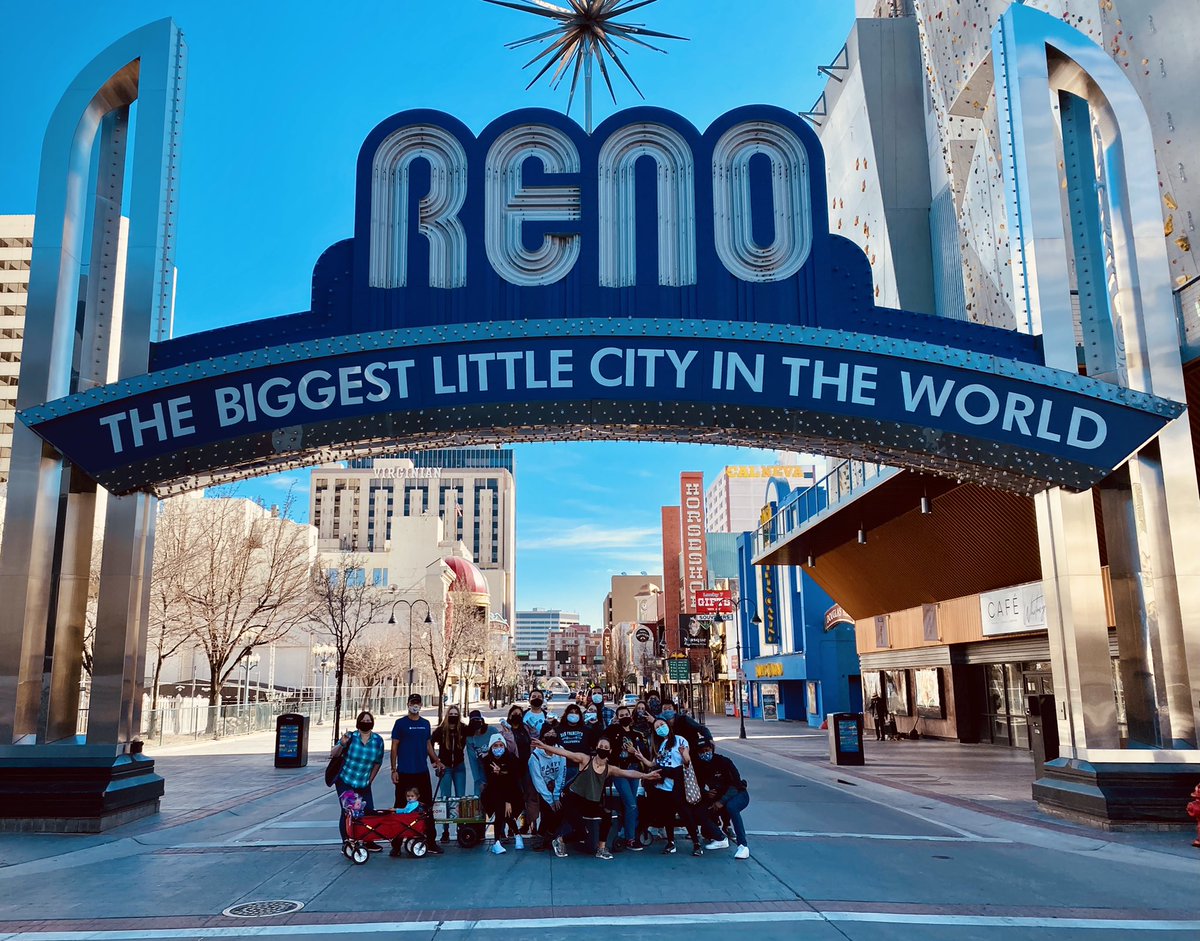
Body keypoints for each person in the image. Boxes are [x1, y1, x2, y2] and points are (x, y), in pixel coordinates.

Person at [532, 733, 660, 860]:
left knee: (607, 814)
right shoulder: (585, 759)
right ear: (596, 747)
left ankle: (601, 848)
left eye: (606, 747)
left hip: (590, 802)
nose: (603, 749)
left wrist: (646, 776)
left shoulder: (609, 769)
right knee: (582, 833)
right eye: (601, 746)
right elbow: (565, 753)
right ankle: (559, 840)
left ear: (609, 751)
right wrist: (544, 746)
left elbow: (628, 773)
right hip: (573, 800)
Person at [644, 715, 709, 856]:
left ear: (668, 725)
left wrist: (684, 756)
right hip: (664, 785)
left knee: (686, 814)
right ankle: (671, 842)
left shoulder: (680, 740)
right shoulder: (661, 745)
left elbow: (686, 761)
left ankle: (696, 844)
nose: (660, 728)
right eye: (657, 727)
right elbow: (654, 763)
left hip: (677, 783)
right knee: (668, 815)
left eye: (661, 725)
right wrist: (640, 757)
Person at [390, 694, 444, 856]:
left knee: (427, 807)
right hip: (405, 772)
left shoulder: (425, 724)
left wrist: (436, 760)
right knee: (401, 806)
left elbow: (428, 745)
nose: (415, 706)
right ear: (408, 704)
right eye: (412, 703)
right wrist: (394, 769)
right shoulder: (400, 724)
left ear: (421, 705)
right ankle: (397, 844)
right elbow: (394, 747)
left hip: (422, 772)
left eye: (417, 703)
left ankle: (431, 841)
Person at [331, 711, 384, 847]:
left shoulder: (378, 741)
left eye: (369, 720)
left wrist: (370, 780)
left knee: (368, 811)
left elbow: (378, 762)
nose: (366, 723)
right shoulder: (350, 737)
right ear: (358, 722)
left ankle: (368, 840)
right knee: (349, 811)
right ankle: (347, 842)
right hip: (346, 780)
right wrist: (342, 744)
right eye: (364, 720)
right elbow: (333, 753)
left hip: (364, 782)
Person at [603, 703, 652, 850]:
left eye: (626, 715)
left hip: (634, 770)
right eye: (621, 715)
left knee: (632, 803)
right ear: (617, 718)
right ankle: (630, 838)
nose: (624, 717)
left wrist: (634, 752)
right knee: (631, 804)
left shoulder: (637, 734)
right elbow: (603, 741)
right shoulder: (612, 731)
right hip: (619, 770)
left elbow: (643, 753)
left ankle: (628, 832)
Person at [693, 735, 751, 859]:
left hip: (737, 794)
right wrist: (705, 793)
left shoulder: (724, 762)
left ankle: (743, 846)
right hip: (716, 797)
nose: (705, 753)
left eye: (707, 750)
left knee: (731, 807)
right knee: (699, 811)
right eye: (701, 752)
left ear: (712, 749)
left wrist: (721, 801)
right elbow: (698, 785)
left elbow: (736, 784)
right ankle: (720, 837)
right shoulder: (699, 766)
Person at [430, 705, 468, 844]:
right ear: (447, 715)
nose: (453, 716)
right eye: (451, 713)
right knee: (445, 798)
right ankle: (445, 830)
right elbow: (430, 742)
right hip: (445, 767)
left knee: (460, 799)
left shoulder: (463, 728)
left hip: (459, 766)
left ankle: (460, 827)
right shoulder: (441, 730)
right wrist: (435, 761)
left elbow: (476, 731)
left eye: (455, 713)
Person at [482, 732, 524, 855]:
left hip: (513, 793)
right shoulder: (487, 760)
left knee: (506, 810)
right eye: (495, 746)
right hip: (494, 792)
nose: (498, 748)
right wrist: (497, 774)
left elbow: (513, 779)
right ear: (491, 747)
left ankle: (516, 834)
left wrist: (508, 801)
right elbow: (492, 782)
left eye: (501, 745)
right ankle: (497, 842)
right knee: (500, 808)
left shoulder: (511, 759)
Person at [528, 726, 566, 851]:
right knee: (548, 812)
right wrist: (550, 800)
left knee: (560, 810)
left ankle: (549, 836)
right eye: (548, 733)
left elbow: (562, 773)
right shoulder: (535, 757)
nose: (551, 735)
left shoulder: (561, 751)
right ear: (543, 736)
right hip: (542, 789)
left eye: (553, 732)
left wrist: (556, 795)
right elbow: (537, 780)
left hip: (557, 787)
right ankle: (540, 837)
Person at [464, 709, 493, 793]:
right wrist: (478, 780)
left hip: (494, 769)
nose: (476, 723)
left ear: (482, 721)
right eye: (473, 721)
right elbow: (472, 760)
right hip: (481, 771)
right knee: (479, 796)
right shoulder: (470, 738)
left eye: (478, 720)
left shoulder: (491, 731)